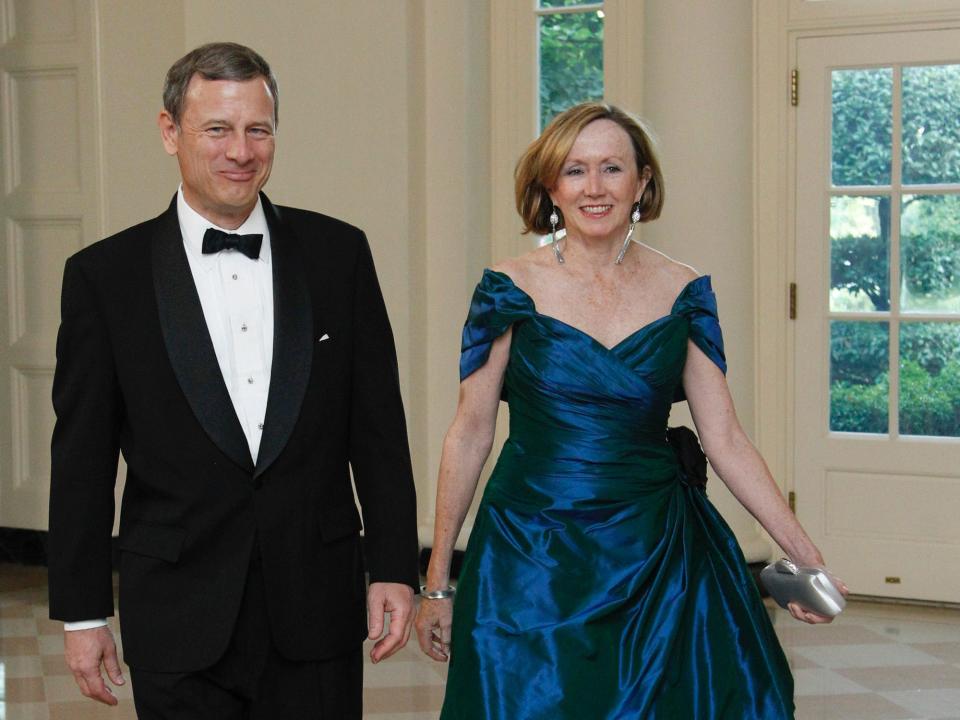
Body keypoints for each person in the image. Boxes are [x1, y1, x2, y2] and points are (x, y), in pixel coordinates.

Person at [414, 102, 847, 719]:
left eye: (612, 168)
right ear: (549, 187)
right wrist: (438, 582)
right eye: (574, 171)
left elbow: (724, 437)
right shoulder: (507, 288)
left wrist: (803, 553)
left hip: (659, 554)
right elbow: (471, 431)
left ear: (642, 183)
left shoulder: (684, 291)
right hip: (529, 556)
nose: (593, 188)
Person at [48, 42, 419, 719]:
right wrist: (82, 615)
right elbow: (82, 458)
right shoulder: (105, 278)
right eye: (217, 128)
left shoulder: (340, 254)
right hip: (177, 608)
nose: (240, 151)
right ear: (170, 132)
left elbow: (378, 428)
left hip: (317, 603)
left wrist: (393, 565)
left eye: (258, 129)